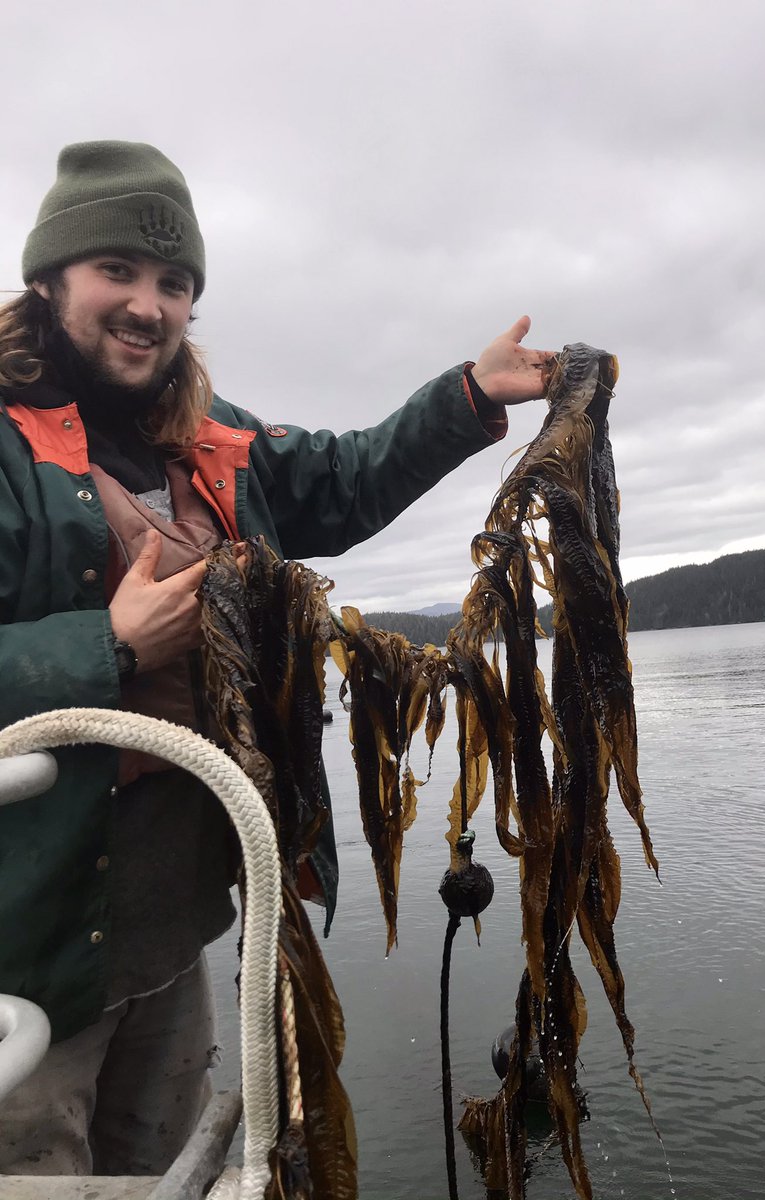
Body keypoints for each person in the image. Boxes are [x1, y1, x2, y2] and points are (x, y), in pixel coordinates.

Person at [0, 140, 553, 1177]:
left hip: (176, 930)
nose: (147, 306)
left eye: (174, 285)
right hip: (25, 953)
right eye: (116, 271)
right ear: (47, 279)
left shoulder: (206, 437)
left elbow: (342, 483)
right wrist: (106, 647)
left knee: (179, 1165)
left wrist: (469, 397)